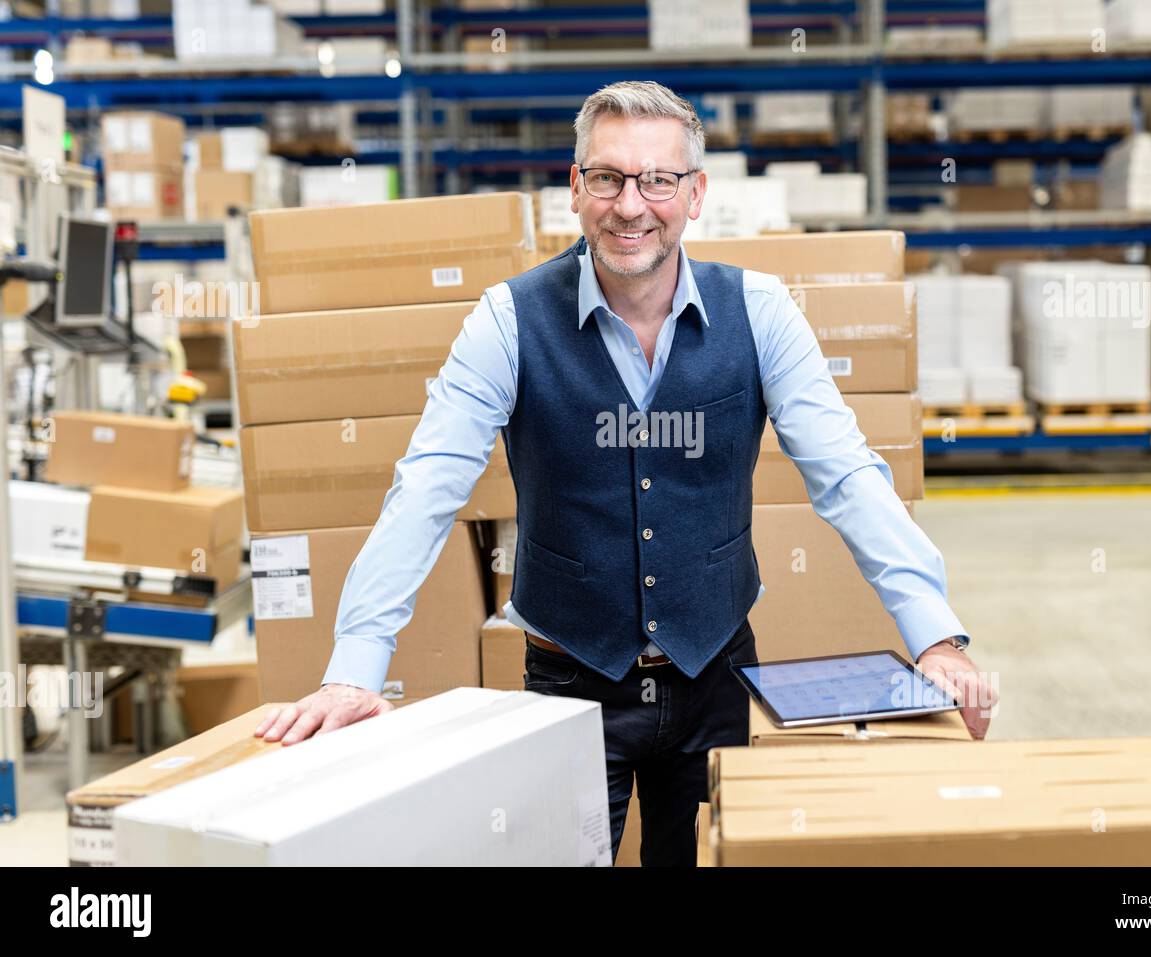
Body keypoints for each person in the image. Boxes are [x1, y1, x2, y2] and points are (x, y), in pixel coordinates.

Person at [255, 80, 998, 866]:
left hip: (714, 673)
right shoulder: (508, 321)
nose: (631, 204)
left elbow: (846, 473)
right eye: (607, 177)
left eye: (658, 179)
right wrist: (353, 669)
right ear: (575, 188)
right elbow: (426, 490)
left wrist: (935, 634)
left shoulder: (761, 311)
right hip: (570, 683)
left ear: (696, 193)